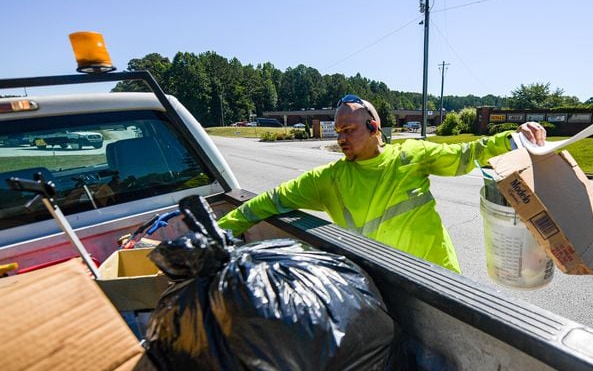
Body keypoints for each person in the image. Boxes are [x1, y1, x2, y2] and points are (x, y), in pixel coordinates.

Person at [218, 95, 546, 273]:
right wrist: (220, 228)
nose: (341, 137)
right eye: (338, 130)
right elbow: (273, 200)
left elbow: (464, 155)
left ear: (374, 127)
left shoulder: (410, 155)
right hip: (385, 280)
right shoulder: (329, 179)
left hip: (439, 276)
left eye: (350, 129)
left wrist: (513, 139)